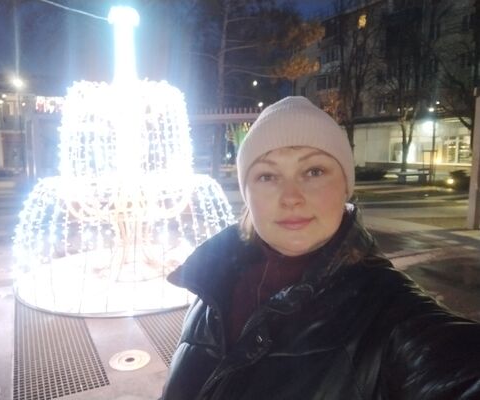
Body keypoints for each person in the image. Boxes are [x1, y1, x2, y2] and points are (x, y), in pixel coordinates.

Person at [161, 97, 480, 400]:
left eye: (314, 171)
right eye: (267, 175)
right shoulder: (212, 282)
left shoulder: (390, 313)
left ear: (345, 187)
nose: (291, 197)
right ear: (248, 194)